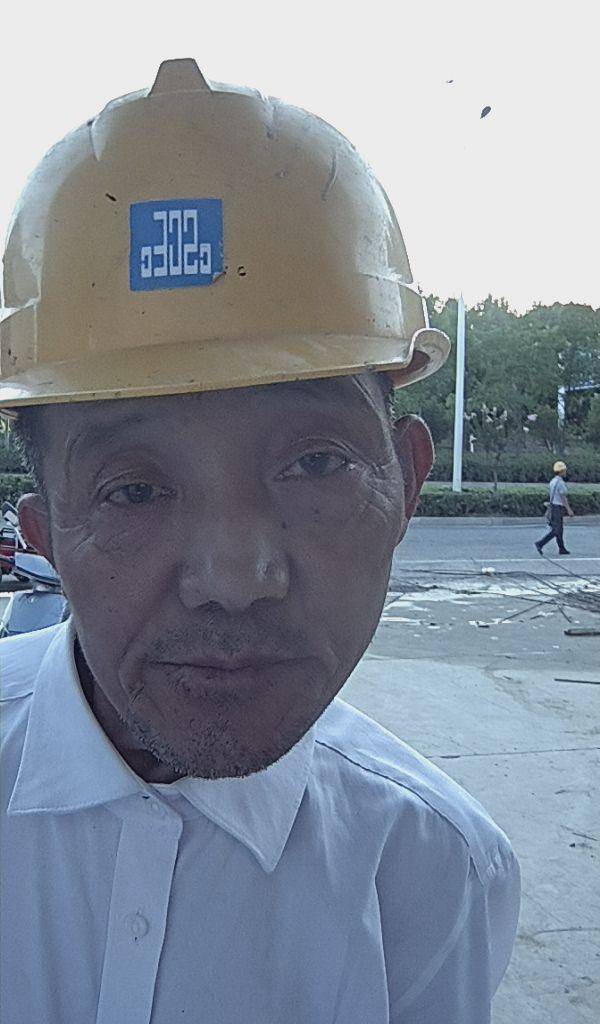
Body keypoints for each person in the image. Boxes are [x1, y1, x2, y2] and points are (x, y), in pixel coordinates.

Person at [0, 59, 520, 1024]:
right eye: (134, 489)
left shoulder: (431, 875)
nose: (235, 580)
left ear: (405, 484)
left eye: (315, 463)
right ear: (47, 538)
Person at [535, 460, 574, 556]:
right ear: (561, 471)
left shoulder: (553, 481)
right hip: (557, 508)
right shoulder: (560, 483)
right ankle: (540, 543)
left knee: (559, 529)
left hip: (553, 507)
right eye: (564, 470)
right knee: (556, 530)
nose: (565, 472)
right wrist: (569, 509)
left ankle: (562, 548)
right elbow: (563, 498)